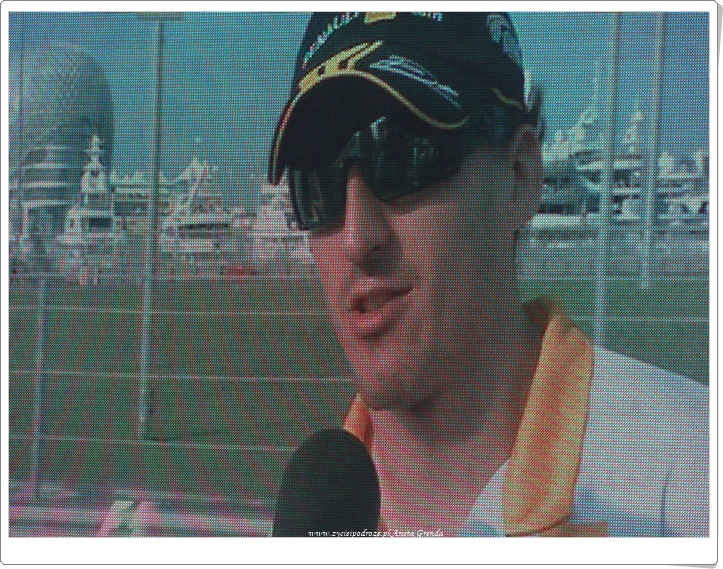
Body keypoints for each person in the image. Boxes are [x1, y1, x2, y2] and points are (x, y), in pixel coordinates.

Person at [268, 12, 708, 537]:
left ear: (519, 177)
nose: (358, 237)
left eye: (405, 158)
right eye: (317, 184)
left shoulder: (691, 478)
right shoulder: (315, 516)